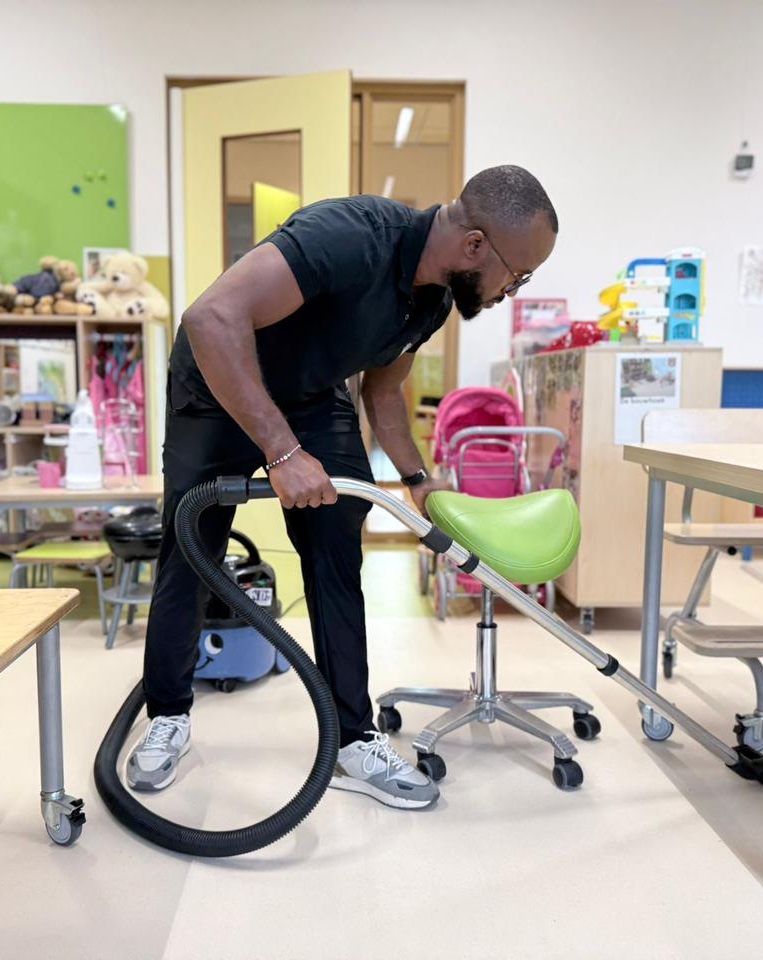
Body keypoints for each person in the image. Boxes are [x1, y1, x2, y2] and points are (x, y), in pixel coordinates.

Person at [127, 165, 558, 809]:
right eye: (516, 275)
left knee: (336, 551)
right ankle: (168, 715)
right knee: (193, 551)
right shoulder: (349, 236)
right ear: (475, 246)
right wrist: (282, 450)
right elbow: (211, 316)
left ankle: (353, 739)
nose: (509, 292)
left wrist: (419, 480)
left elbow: (384, 392)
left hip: (312, 398)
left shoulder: (433, 297)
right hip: (216, 387)